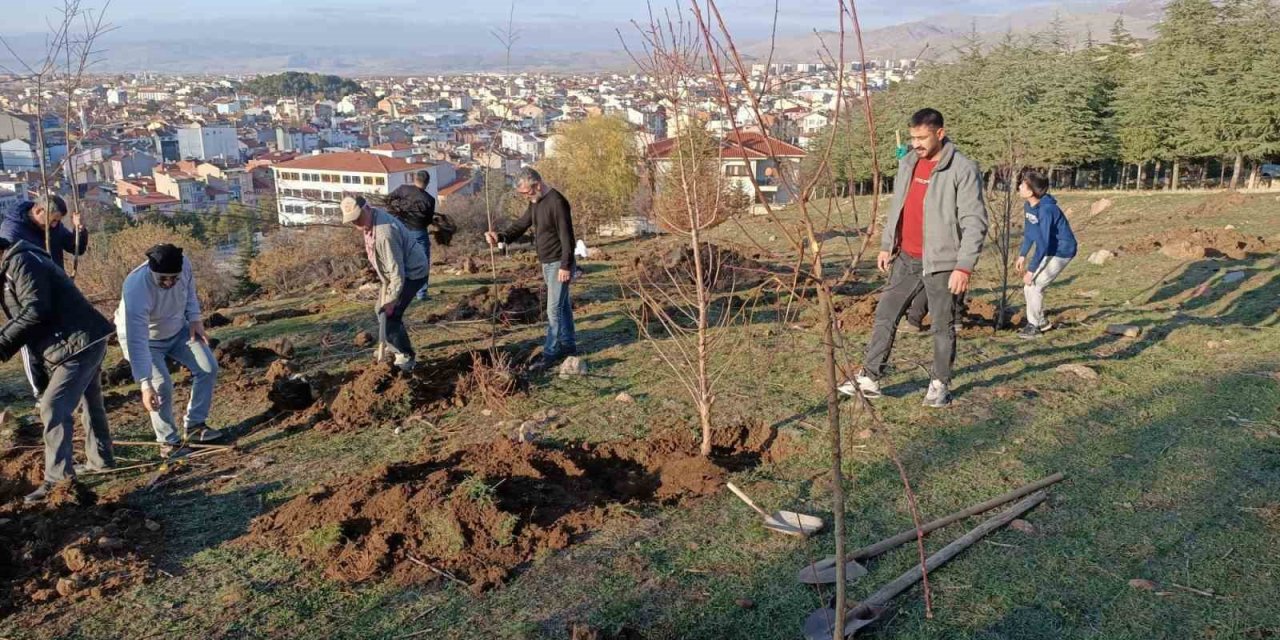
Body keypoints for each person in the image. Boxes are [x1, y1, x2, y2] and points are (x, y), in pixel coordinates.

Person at [840, 108, 988, 408]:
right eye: (913, 138)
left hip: (943, 263)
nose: (916, 144)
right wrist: (887, 244)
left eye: (922, 138)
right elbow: (900, 207)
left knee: (941, 325)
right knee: (885, 314)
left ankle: (940, 383)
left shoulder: (962, 169)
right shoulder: (908, 162)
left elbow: (975, 221)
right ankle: (870, 377)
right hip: (906, 257)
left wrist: (964, 266)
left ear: (940, 134)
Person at [0, 236, 115, 503]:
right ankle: (101, 460)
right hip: (85, 337)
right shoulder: (16, 265)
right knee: (90, 400)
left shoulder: (22, 262)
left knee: (53, 407)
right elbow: (31, 329)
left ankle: (57, 481)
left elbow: (36, 310)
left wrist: (3, 343)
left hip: (78, 343)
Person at [116, 244, 224, 457]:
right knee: (161, 385)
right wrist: (145, 384)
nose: (169, 283)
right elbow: (135, 339)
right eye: (163, 279)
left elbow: (190, 291)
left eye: (173, 278)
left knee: (207, 367)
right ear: (151, 271)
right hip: (144, 339)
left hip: (177, 329)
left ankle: (195, 427)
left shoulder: (185, 266)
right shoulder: (135, 288)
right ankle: (168, 442)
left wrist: (194, 319)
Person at [484, 167, 578, 370]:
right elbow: (520, 225)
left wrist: (565, 265)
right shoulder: (535, 203)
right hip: (548, 263)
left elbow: (567, 237)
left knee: (553, 309)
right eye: (522, 194)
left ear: (537, 185)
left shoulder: (557, 202)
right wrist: (500, 237)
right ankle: (569, 345)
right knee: (562, 306)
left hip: (558, 264)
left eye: (526, 192)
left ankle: (550, 353)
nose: (525, 196)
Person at [1, 195, 92, 398]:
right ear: (39, 211)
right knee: (32, 340)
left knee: (61, 338)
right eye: (53, 219)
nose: (55, 224)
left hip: (56, 291)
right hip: (27, 293)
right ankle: (40, 392)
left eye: (58, 221)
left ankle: (63, 383)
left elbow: (75, 247)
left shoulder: (53, 227)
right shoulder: (12, 231)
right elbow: (11, 266)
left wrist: (79, 231)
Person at [342, 195, 429, 372]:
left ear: (367, 208)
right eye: (352, 221)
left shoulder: (384, 234)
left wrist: (392, 299)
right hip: (396, 273)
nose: (357, 223)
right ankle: (392, 345)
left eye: (358, 218)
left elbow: (397, 271)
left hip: (412, 273)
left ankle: (405, 355)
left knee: (389, 314)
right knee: (380, 310)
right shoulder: (371, 221)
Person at [1015, 171, 1077, 339]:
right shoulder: (1029, 205)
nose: (1019, 186)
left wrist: (1031, 270)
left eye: (1022, 184)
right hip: (1049, 249)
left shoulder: (1047, 209)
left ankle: (1034, 327)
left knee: (1035, 285)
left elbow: (1042, 243)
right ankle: (1041, 322)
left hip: (1062, 250)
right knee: (1028, 286)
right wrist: (1022, 255)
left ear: (1031, 191)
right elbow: (1030, 232)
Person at [385, 169, 436, 301]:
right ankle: (421, 293)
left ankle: (401, 289)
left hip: (401, 229)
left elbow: (388, 199)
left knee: (401, 260)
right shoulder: (429, 200)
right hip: (419, 231)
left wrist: (397, 212)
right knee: (423, 261)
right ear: (427, 183)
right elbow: (429, 220)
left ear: (414, 180)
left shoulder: (403, 189)